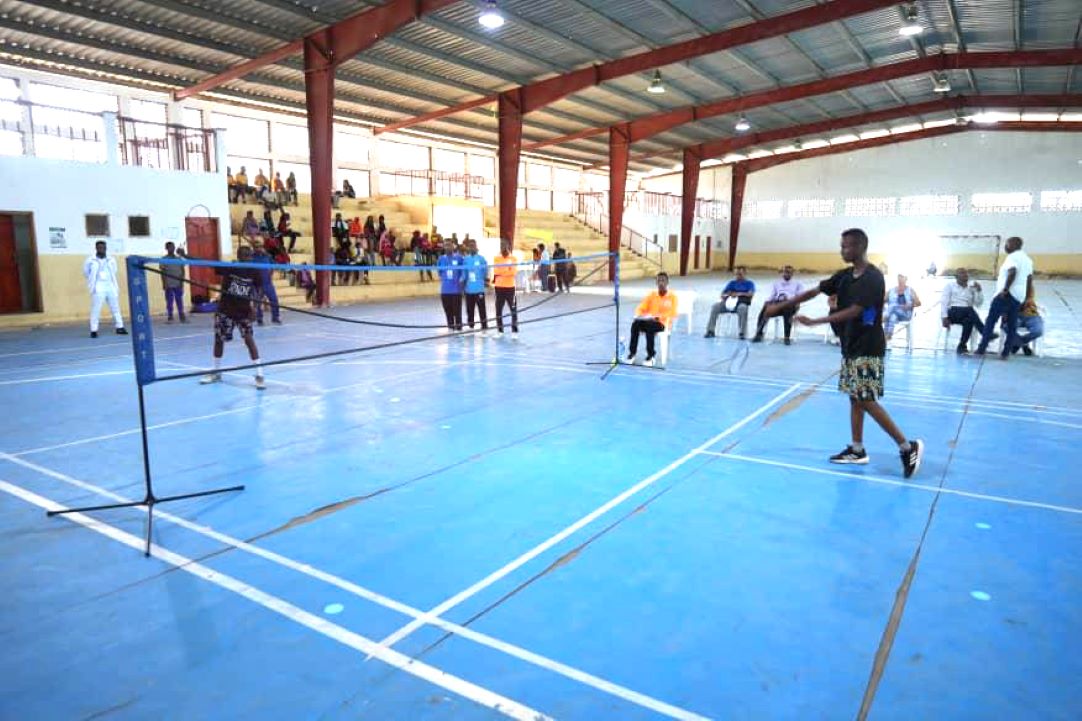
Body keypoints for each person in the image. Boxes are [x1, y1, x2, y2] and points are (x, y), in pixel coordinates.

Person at [764, 228, 923, 478]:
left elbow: (855, 311)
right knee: (854, 397)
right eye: (841, 246)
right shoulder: (845, 275)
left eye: (847, 246)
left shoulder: (872, 278)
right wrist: (782, 305)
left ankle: (907, 446)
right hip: (850, 345)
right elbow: (814, 290)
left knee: (867, 399)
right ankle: (857, 449)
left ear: (861, 247)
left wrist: (815, 321)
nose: (842, 250)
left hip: (868, 346)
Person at [200, 245, 266, 389]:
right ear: (238, 256)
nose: (246, 259)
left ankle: (260, 375)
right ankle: (217, 372)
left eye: (248, 256)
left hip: (244, 312)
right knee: (219, 340)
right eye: (243, 256)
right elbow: (206, 263)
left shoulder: (254, 271)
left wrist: (255, 306)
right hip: (225, 310)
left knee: (249, 340)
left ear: (251, 257)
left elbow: (260, 289)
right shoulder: (230, 267)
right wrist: (186, 257)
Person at [975, 236, 1034, 360]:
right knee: (1012, 325)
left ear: (1013, 245)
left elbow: (1012, 272)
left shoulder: (1012, 257)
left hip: (1006, 295)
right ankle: (1005, 353)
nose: (1005, 247)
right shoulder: (1028, 260)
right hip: (1019, 296)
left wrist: (1005, 289)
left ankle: (981, 348)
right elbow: (1029, 280)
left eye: (1007, 244)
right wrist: (1027, 297)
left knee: (991, 321)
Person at [627, 272, 678, 368]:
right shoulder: (652, 295)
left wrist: (658, 317)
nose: (661, 283)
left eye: (663, 280)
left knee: (650, 326)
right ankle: (632, 353)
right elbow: (641, 307)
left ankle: (651, 356)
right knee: (635, 324)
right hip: (649, 320)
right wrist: (638, 314)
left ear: (667, 282)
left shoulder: (672, 297)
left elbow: (673, 313)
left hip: (662, 323)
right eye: (659, 280)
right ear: (656, 282)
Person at [83, 240, 128, 339]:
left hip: (110, 284)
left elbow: (114, 270)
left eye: (103, 247)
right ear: (96, 248)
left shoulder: (111, 259)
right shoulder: (90, 260)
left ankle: (120, 327)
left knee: (115, 307)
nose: (101, 249)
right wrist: (94, 282)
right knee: (96, 309)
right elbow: (86, 272)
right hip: (98, 285)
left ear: (106, 248)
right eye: (99, 247)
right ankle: (94, 330)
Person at [940, 267, 991, 354]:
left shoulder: (971, 288)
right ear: (956, 276)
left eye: (966, 273)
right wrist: (944, 317)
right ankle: (985, 332)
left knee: (969, 321)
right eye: (962, 273)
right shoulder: (950, 286)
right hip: (953, 312)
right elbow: (944, 302)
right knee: (970, 311)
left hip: (967, 313)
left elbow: (978, 304)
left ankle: (962, 346)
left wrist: (979, 291)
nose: (965, 275)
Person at [752, 264, 803, 344]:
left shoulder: (798, 284)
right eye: (785, 272)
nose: (786, 274)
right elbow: (772, 296)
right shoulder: (776, 283)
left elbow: (800, 297)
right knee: (766, 308)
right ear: (782, 273)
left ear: (792, 274)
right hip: (778, 304)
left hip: (790, 304)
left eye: (789, 272)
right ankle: (759, 333)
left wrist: (792, 301)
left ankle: (787, 337)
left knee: (787, 307)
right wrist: (767, 302)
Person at [704, 266, 755, 339]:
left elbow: (750, 294)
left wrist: (738, 294)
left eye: (740, 274)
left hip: (740, 303)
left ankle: (742, 333)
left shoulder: (749, 284)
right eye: (736, 274)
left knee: (743, 309)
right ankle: (710, 330)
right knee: (715, 307)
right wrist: (728, 295)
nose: (738, 276)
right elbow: (722, 294)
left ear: (745, 274)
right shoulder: (732, 283)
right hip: (729, 302)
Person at [492, 239, 519, 340]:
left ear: (508, 246)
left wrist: (502, 271)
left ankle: (515, 331)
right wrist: (507, 269)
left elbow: (513, 272)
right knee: (498, 309)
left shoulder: (513, 258)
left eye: (504, 245)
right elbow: (496, 271)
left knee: (513, 310)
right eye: (500, 245)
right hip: (499, 287)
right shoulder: (496, 258)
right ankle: (500, 331)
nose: (502, 247)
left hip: (510, 288)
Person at [437, 237, 464, 331]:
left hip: (456, 290)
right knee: (448, 311)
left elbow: (463, 272)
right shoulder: (441, 259)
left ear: (453, 246)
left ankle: (459, 328)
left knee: (457, 311)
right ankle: (450, 327)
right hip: (445, 290)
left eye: (449, 245)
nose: (447, 247)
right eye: (445, 245)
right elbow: (439, 273)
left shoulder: (459, 258)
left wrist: (460, 282)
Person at [463, 238, 490, 335]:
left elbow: (486, 271)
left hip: (479, 288)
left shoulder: (481, 259)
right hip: (469, 289)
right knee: (469, 309)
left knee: (481, 308)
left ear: (476, 247)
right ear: (468, 248)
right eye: (470, 246)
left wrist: (485, 280)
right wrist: (463, 283)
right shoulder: (465, 259)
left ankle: (484, 327)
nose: (472, 247)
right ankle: (471, 326)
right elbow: (464, 273)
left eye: (473, 246)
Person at [251, 242, 281, 326]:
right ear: (253, 248)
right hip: (256, 284)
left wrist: (270, 274)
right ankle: (259, 319)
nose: (258, 248)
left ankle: (275, 318)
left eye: (260, 246)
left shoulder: (267, 256)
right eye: (256, 247)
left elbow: (274, 265)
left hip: (267, 283)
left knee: (274, 300)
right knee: (257, 302)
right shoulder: (250, 257)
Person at [884, 273, 921, 340]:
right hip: (893, 313)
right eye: (899, 277)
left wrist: (910, 305)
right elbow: (882, 300)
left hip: (905, 314)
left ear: (906, 279)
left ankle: (883, 317)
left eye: (902, 277)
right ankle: (887, 337)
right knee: (892, 317)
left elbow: (918, 303)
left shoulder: (910, 290)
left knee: (892, 307)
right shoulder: (892, 290)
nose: (900, 279)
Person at [161, 241, 188, 324]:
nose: (172, 249)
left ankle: (182, 316)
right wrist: (164, 283)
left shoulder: (178, 259)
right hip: (169, 283)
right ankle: (170, 316)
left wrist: (182, 281)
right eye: (170, 247)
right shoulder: (164, 259)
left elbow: (182, 270)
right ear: (166, 249)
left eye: (173, 247)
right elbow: (162, 272)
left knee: (179, 299)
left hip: (178, 283)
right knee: (169, 300)